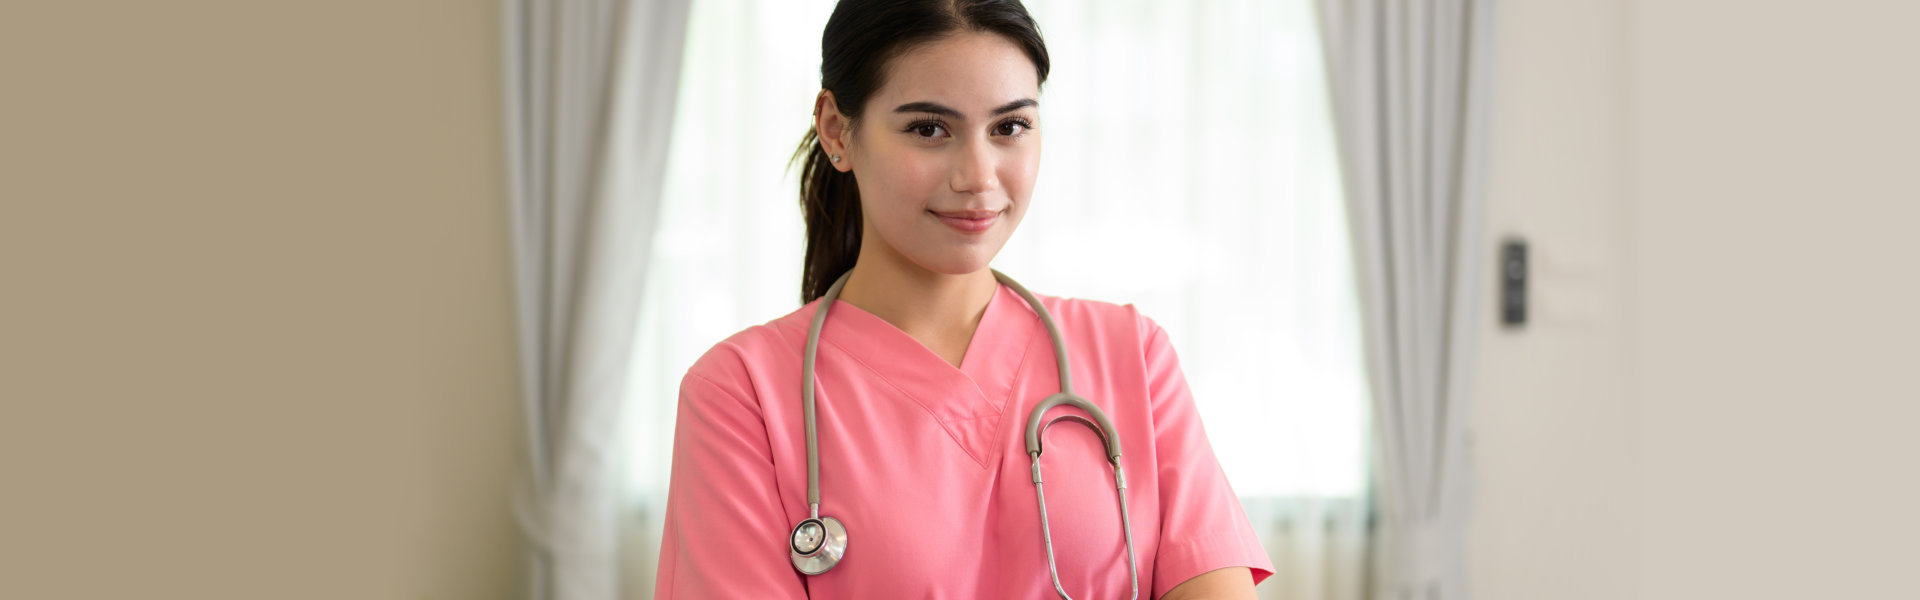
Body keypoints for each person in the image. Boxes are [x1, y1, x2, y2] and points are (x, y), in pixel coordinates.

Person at [653, 1, 1275, 597]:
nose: (978, 176)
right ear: (837, 130)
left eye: (1010, 126)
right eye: (929, 128)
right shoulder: (741, 394)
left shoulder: (1132, 357)